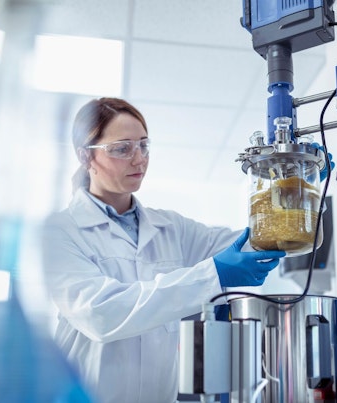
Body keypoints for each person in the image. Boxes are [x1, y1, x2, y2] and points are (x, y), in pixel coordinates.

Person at [40, 97, 287, 403]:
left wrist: (300, 181)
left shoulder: (173, 228)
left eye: (144, 145)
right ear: (86, 157)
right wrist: (212, 274)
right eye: (122, 148)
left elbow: (257, 242)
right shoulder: (59, 231)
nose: (139, 159)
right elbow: (100, 314)